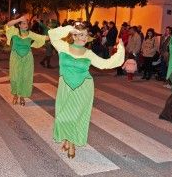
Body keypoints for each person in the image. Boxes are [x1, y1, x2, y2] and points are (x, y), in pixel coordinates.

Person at [48, 22, 125, 159]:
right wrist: (70, 28)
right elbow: (52, 34)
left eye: (86, 35)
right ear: (74, 35)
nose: (84, 38)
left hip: (83, 88)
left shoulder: (88, 53)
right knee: (63, 116)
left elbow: (105, 64)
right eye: (81, 35)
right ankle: (67, 138)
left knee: (76, 116)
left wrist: (120, 49)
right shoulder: (63, 47)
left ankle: (72, 144)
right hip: (65, 87)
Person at [6, 15, 49, 106]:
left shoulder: (30, 33)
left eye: (27, 23)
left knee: (25, 77)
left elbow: (43, 38)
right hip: (15, 57)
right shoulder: (14, 31)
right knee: (15, 77)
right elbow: (8, 25)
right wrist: (18, 19)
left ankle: (22, 96)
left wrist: (57, 35)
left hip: (27, 58)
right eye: (24, 23)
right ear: (19, 25)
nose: (26, 25)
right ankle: (15, 95)